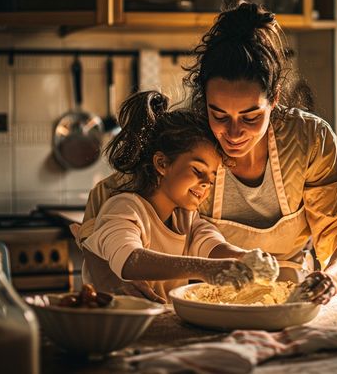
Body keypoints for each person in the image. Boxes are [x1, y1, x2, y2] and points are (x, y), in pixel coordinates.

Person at [84, 0, 337, 305]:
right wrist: (114, 283)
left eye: (251, 117)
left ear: (274, 99)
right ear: (204, 100)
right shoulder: (192, 141)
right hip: (208, 304)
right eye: (219, 115)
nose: (234, 133)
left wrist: (333, 278)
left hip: (289, 300)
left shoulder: (310, 140)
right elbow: (102, 218)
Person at [73, 91, 274, 303]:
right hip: (111, 329)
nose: (206, 183)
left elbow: (211, 244)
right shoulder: (125, 208)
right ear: (162, 164)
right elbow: (129, 260)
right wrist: (205, 269)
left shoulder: (185, 218)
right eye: (198, 171)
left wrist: (246, 257)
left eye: (212, 178)